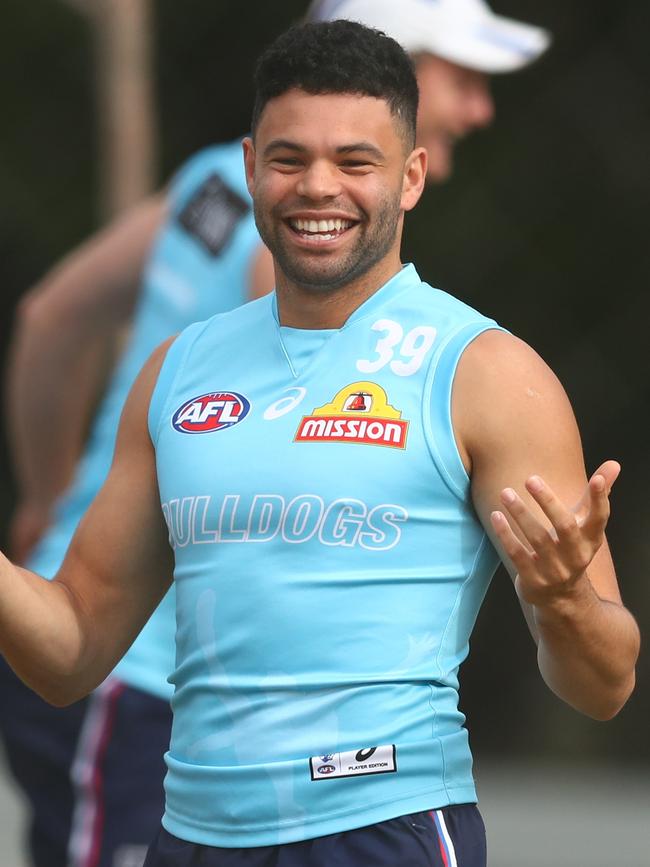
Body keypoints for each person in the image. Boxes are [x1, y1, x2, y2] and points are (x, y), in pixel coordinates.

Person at [0, 20, 639, 867]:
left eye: (355, 162)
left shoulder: (485, 373)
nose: (318, 188)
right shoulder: (178, 371)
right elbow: (71, 651)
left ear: (411, 176)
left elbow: (606, 685)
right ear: (251, 163)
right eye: (290, 158)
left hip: (382, 832)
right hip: (190, 839)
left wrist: (564, 606)